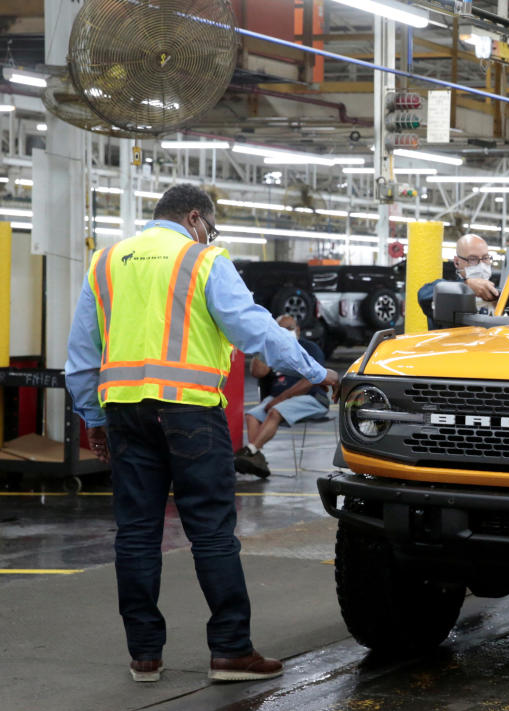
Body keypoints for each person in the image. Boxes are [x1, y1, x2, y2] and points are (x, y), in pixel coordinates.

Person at [65, 184, 339, 683]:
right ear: (195, 218)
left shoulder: (105, 263)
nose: (211, 235)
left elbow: (81, 359)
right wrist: (319, 373)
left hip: (125, 413)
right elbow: (256, 330)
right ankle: (231, 652)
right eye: (210, 226)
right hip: (190, 413)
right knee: (211, 532)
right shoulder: (202, 260)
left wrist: (95, 419)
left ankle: (144, 656)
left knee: (137, 534)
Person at [235, 314, 329, 479]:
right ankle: (256, 458)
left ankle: (251, 451)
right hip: (278, 400)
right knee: (251, 416)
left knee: (275, 412)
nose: (286, 332)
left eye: (289, 329)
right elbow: (258, 372)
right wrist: (262, 346)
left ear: (298, 330)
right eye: (281, 329)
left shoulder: (310, 348)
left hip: (310, 398)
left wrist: (283, 397)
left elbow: (314, 379)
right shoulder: (274, 352)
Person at [416, 233, 500, 327]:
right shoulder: (447, 289)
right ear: (457, 262)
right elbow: (423, 294)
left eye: (485, 258)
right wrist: (466, 286)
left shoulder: (496, 294)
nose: (481, 265)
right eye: (472, 259)